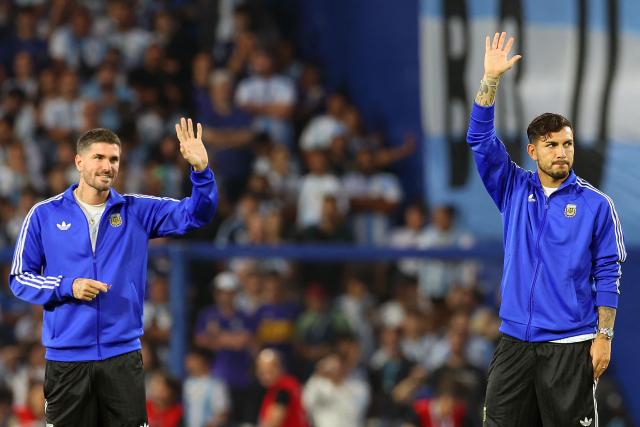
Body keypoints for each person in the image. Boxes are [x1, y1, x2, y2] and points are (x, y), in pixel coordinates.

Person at [8, 118, 217, 425]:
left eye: (114, 159)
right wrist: (68, 286)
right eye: (99, 158)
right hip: (67, 361)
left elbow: (196, 215)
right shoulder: (43, 215)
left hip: (122, 357)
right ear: (79, 162)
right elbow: (19, 278)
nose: (107, 166)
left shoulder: (137, 210)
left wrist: (201, 172)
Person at [467, 32, 626, 426]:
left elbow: (608, 273)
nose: (562, 152)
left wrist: (603, 337)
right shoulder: (512, 189)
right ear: (532, 150)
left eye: (567, 144)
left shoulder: (597, 205)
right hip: (515, 343)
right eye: (552, 145)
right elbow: (479, 139)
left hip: (570, 345)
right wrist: (490, 81)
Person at [255, 349, 308, 427]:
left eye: (270, 371)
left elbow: (274, 423)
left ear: (280, 368)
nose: (266, 377)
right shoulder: (290, 383)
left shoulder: (283, 390)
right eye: (262, 372)